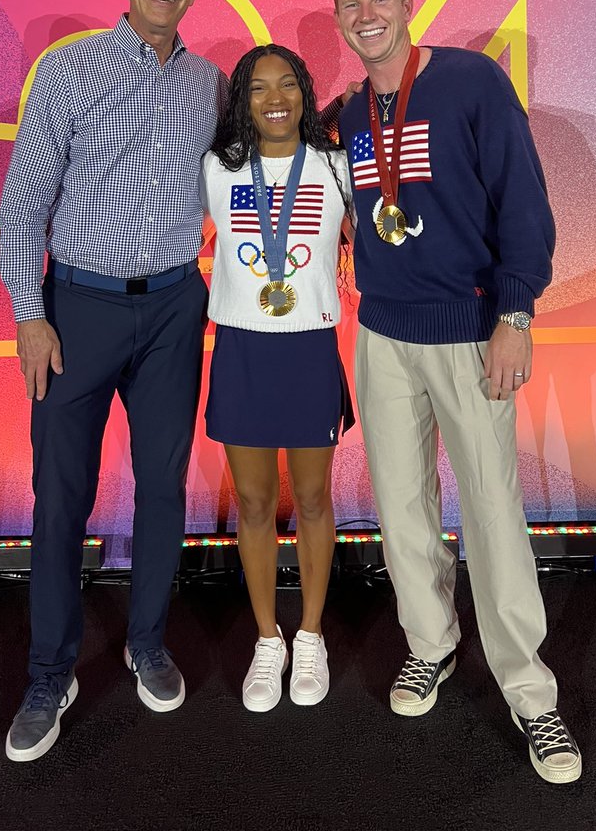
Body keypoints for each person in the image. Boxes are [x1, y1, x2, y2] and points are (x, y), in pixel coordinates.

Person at [329, 0, 582, 784]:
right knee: (401, 507)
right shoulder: (349, 114)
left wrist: (515, 313)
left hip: (470, 330)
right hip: (382, 335)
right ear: (339, 19)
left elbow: (523, 202)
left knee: (491, 510)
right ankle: (430, 644)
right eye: (351, 3)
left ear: (408, 3)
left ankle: (529, 690)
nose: (366, 14)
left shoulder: (472, 82)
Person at [0, 0, 226, 762]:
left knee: (162, 487)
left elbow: (261, 163)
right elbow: (22, 206)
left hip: (173, 308)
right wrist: (30, 315)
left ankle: (147, 643)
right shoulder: (69, 71)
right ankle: (49, 675)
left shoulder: (210, 85)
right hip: (77, 310)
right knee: (61, 497)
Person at [200, 45, 354, 712]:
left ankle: (311, 635)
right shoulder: (217, 167)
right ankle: (269, 640)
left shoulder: (335, 166)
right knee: (255, 503)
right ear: (243, 99)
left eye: (286, 84)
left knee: (314, 499)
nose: (274, 99)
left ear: (304, 93)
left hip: (310, 346)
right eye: (258, 87)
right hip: (241, 346)